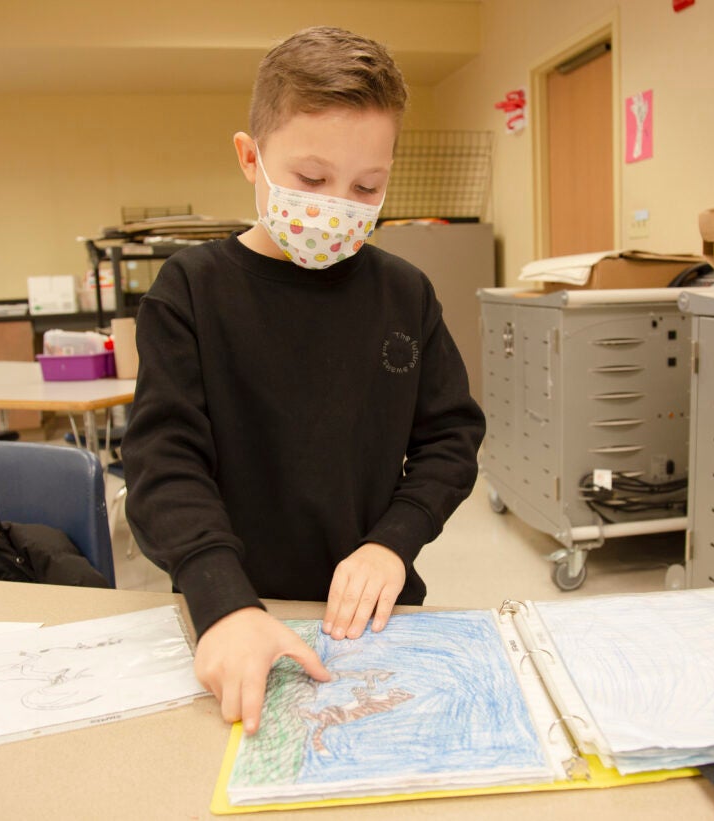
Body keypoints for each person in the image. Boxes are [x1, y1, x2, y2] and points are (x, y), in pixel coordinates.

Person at [122, 26, 485, 735]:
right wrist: (221, 597)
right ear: (250, 158)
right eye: (311, 180)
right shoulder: (189, 291)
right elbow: (164, 463)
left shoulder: (404, 293)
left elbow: (451, 437)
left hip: (373, 621)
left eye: (367, 186)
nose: (337, 205)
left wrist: (394, 540)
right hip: (232, 609)